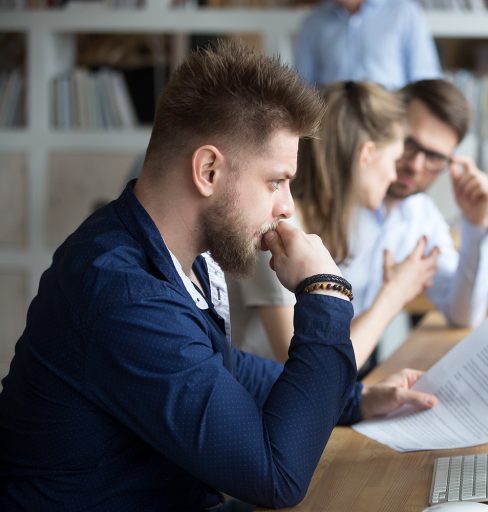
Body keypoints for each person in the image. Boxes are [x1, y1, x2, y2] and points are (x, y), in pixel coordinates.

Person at [0, 40, 436, 510]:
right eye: (275, 180)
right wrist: (324, 293)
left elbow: (226, 369)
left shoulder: (181, 252)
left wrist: (356, 400)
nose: (287, 206)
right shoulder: (124, 294)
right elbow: (276, 477)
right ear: (208, 169)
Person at [232, 80, 439, 367]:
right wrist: (393, 297)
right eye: (393, 160)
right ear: (366, 155)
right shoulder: (278, 231)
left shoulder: (327, 228)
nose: (394, 176)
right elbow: (309, 370)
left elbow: (329, 349)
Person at [342, 79, 488, 333]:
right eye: (410, 144)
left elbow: (463, 315)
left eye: (435, 157)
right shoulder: (334, 199)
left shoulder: (421, 215)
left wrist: (474, 223)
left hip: (349, 365)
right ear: (389, 129)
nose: (416, 165)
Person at [294, 0, 442, 90]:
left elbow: (424, 81)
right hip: (333, 127)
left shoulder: (405, 13)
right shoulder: (313, 22)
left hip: (389, 127)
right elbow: (304, 86)